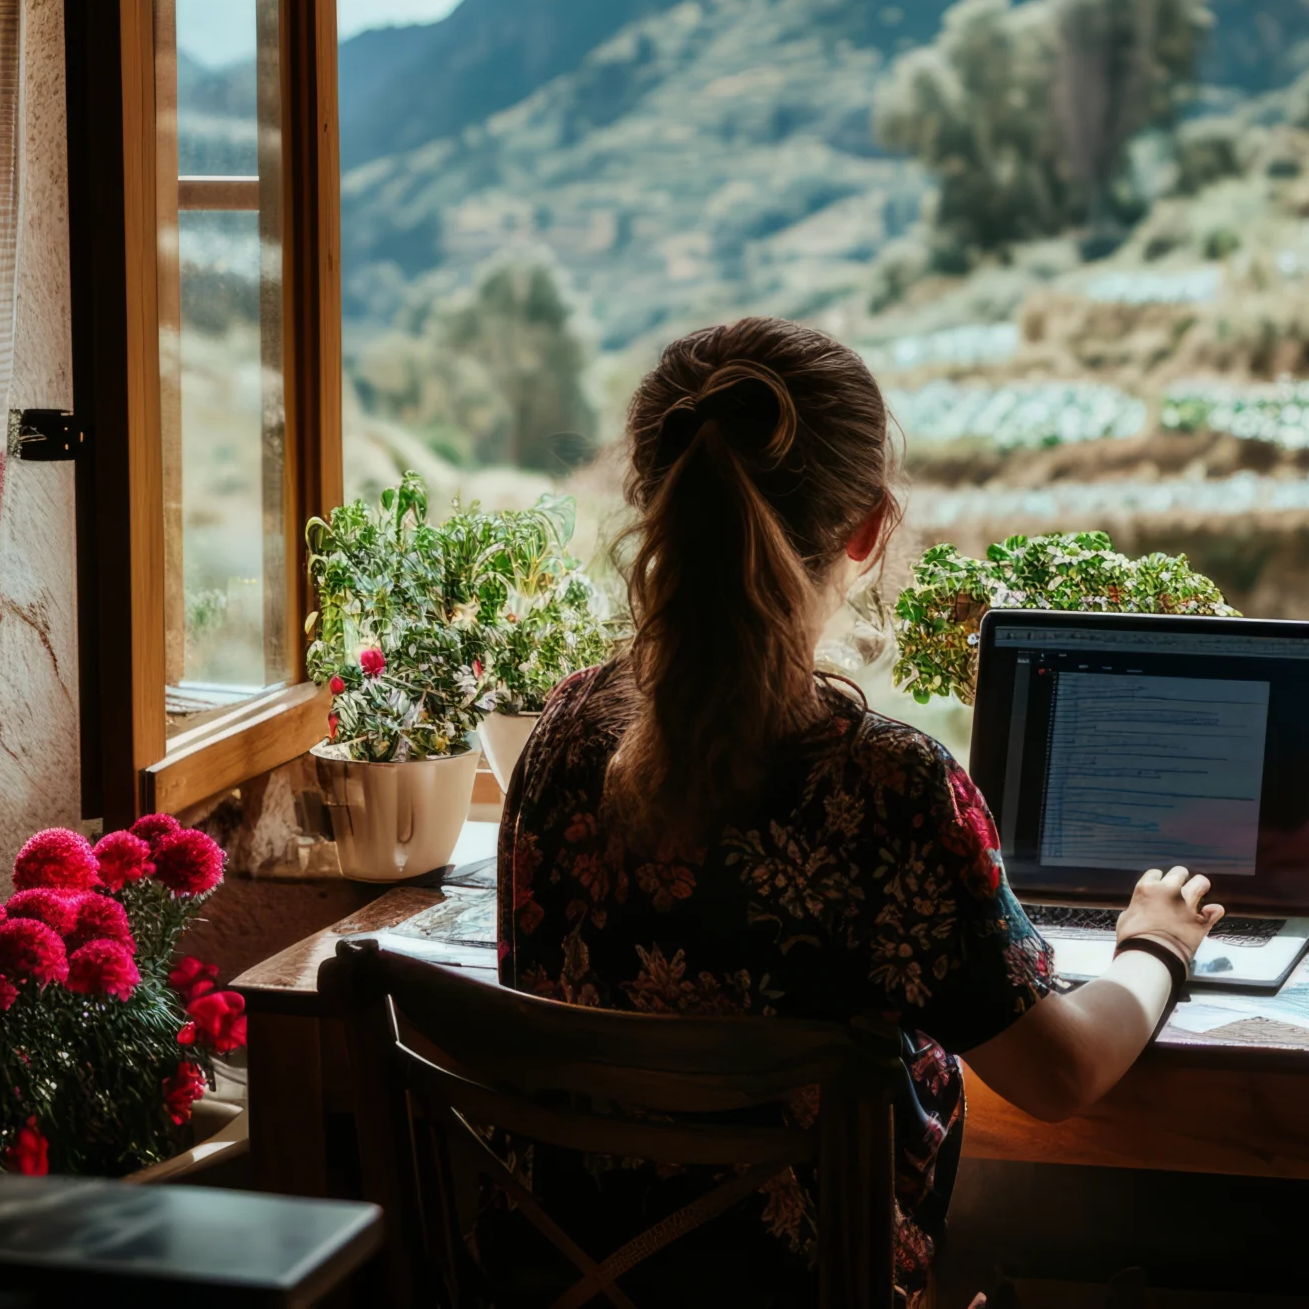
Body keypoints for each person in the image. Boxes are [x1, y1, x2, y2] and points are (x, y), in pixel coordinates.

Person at [496, 316, 1224, 1307]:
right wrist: (1156, 946)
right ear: (870, 528)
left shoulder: (566, 731)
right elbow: (1061, 1078)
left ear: (654, 504)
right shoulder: (886, 784)